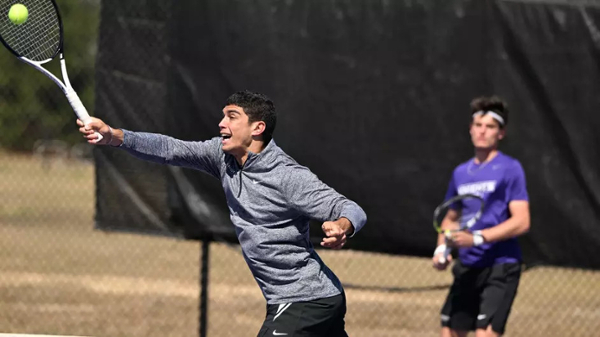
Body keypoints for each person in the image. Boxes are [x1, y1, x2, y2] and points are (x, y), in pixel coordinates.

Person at [79, 90, 366, 337]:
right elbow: (170, 149)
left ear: (257, 128)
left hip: (306, 299)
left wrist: (343, 225)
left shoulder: (288, 176)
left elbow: (350, 208)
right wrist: (114, 136)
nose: (221, 123)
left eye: (231, 116)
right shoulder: (222, 155)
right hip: (305, 299)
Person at [432, 96, 530, 337]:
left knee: (484, 334)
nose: (482, 131)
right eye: (478, 125)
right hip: (467, 266)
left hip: (501, 266)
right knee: (451, 331)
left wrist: (478, 238)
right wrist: (441, 250)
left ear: (501, 133)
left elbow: (521, 221)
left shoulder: (510, 168)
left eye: (490, 126)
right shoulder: (460, 173)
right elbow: (451, 219)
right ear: (470, 129)